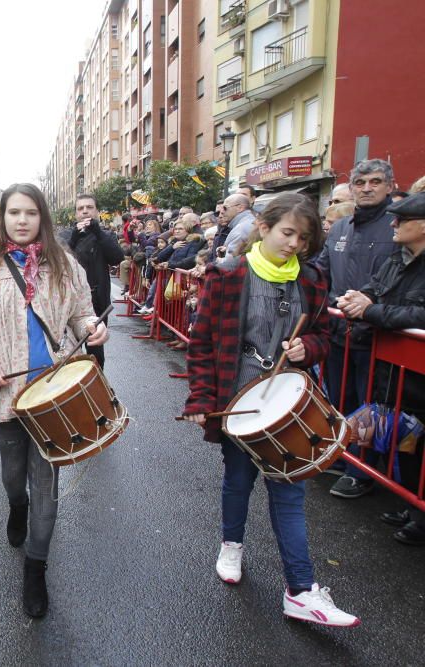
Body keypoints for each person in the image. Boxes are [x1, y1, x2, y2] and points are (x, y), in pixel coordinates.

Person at [182, 193, 359, 628]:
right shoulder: (226, 275)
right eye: (287, 233)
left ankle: (300, 591)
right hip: (237, 396)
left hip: (288, 400)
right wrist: (202, 400)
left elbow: (324, 333)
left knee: (289, 493)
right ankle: (231, 544)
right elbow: (203, 343)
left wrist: (307, 348)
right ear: (262, 228)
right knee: (238, 480)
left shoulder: (313, 279)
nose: (294, 243)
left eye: (303, 236)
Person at [0, 183, 108, 619]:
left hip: (55, 395)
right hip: (7, 393)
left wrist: (94, 329)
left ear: (42, 217)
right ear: (1, 218)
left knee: (46, 487)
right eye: (13, 213)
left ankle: (35, 568)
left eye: (30, 213)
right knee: (13, 477)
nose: (22, 220)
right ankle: (15, 507)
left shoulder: (66, 266)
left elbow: (83, 311)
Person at [336, 192, 425, 543]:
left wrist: (369, 311)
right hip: (398, 373)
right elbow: (375, 290)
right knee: (410, 441)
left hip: (418, 373)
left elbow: (417, 315)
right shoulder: (397, 258)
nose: (393, 224)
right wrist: (354, 299)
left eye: (401, 220)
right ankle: (413, 505)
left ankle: (420, 516)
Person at [319, 159, 400, 498]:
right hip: (339, 335)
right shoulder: (339, 229)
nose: (367, 188)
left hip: (377, 336)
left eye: (375, 182)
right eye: (361, 182)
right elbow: (321, 269)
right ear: (351, 187)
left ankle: (361, 471)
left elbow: (399, 275)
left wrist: (368, 301)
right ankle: (343, 456)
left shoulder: (397, 226)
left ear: (390, 186)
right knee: (340, 400)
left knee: (369, 407)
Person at [67, 194, 123, 366]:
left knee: (95, 352)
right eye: (80, 208)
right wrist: (75, 236)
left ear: (97, 211)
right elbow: (59, 258)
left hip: (96, 301)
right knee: (69, 352)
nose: (85, 211)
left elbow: (116, 257)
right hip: (70, 301)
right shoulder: (66, 234)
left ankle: (98, 389)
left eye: (89, 207)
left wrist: (97, 232)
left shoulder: (105, 235)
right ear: (75, 213)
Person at [217, 194, 256, 266]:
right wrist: (226, 251)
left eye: (225, 208)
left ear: (240, 208)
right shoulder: (248, 223)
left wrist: (219, 260)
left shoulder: (241, 229)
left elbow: (229, 264)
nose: (221, 212)